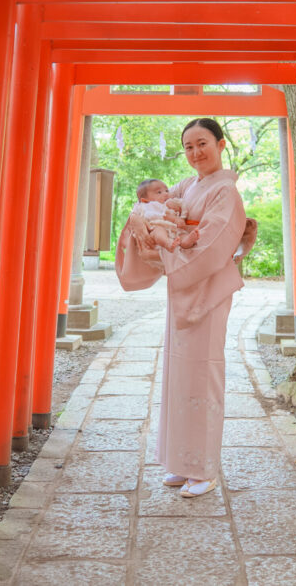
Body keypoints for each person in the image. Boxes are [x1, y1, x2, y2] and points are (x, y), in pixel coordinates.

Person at [116, 118, 249, 498]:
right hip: (183, 290)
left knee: (203, 376)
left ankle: (204, 468)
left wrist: (167, 243)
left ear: (221, 144)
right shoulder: (189, 185)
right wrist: (146, 223)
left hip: (207, 290)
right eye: (188, 146)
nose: (195, 153)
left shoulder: (226, 192)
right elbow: (146, 209)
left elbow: (211, 244)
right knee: (179, 375)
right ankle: (180, 461)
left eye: (203, 143)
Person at [130, 178, 196, 252]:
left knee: (182, 234)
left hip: (174, 229)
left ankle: (186, 242)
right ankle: (167, 243)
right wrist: (174, 219)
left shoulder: (169, 203)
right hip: (157, 227)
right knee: (158, 232)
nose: (166, 193)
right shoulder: (146, 206)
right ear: (145, 199)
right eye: (159, 192)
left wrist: (179, 211)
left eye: (167, 190)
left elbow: (183, 208)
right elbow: (135, 214)